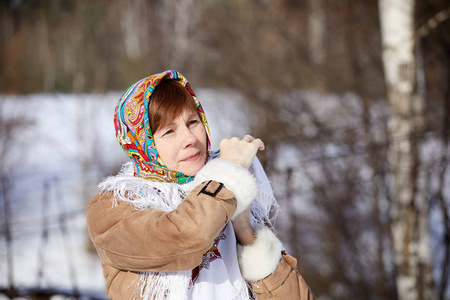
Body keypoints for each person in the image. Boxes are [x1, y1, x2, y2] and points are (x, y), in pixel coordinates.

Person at [86, 70, 315, 300]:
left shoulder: (228, 194)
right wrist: (226, 177)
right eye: (169, 131)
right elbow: (187, 236)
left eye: (192, 122)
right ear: (142, 145)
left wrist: (246, 231)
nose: (190, 139)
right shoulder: (114, 207)